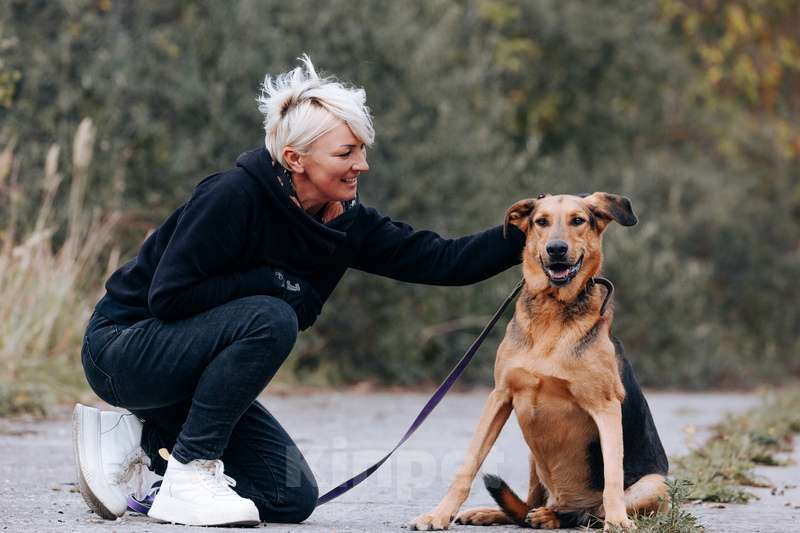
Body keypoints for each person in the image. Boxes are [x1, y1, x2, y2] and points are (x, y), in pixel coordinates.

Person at [73, 55, 526, 527]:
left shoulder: (346, 221)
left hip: (182, 380)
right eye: (346, 153)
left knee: (290, 496)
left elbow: (443, 260)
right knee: (271, 317)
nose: (362, 165)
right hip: (122, 351)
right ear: (295, 158)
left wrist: (534, 234)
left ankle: (140, 441)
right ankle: (189, 475)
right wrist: (274, 283)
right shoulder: (232, 196)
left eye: (362, 151)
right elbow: (168, 298)